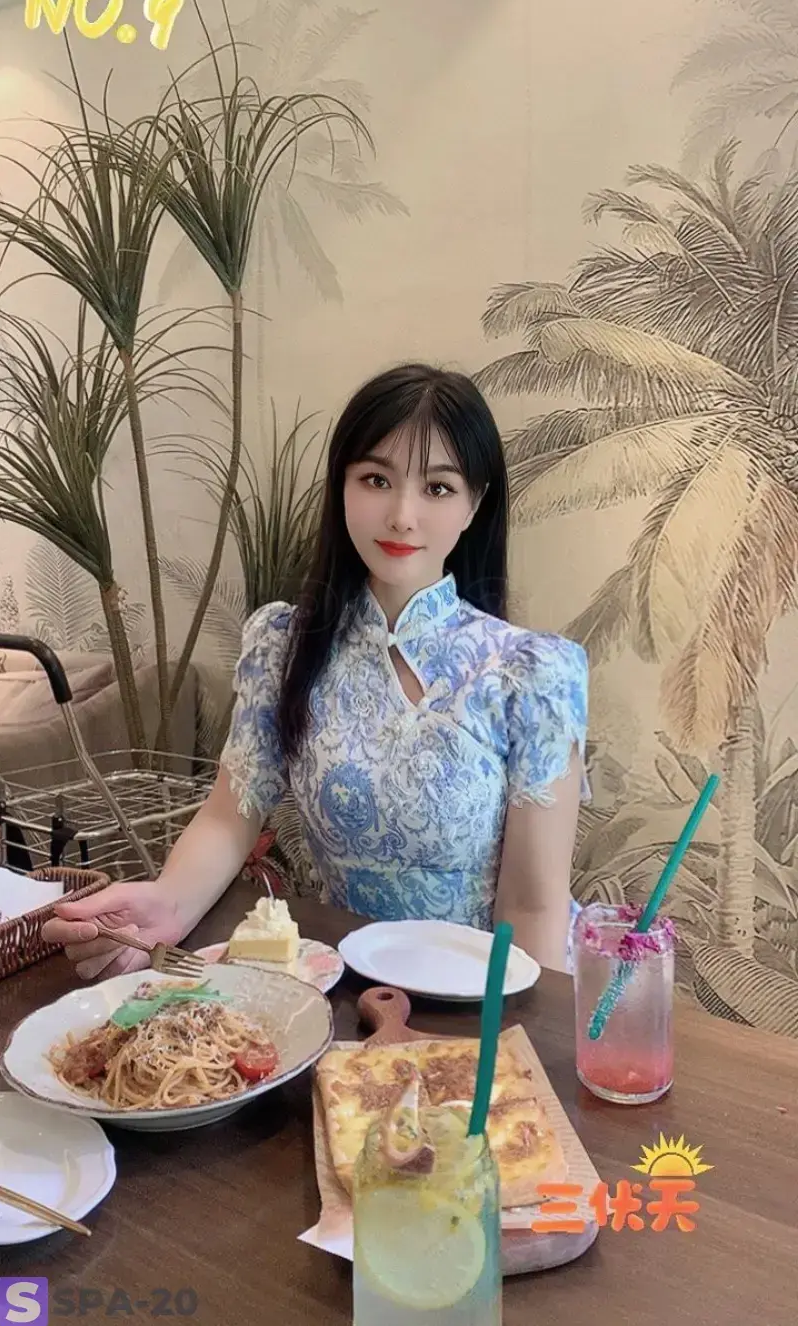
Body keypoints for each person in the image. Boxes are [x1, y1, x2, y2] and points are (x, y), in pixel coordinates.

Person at [44, 363, 589, 980]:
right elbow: (230, 816)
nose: (402, 515)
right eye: (376, 479)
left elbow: (533, 905)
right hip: (345, 981)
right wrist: (167, 903)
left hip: (486, 994)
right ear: (342, 486)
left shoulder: (531, 674)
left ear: (475, 504)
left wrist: (514, 1030)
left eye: (438, 488)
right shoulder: (283, 645)